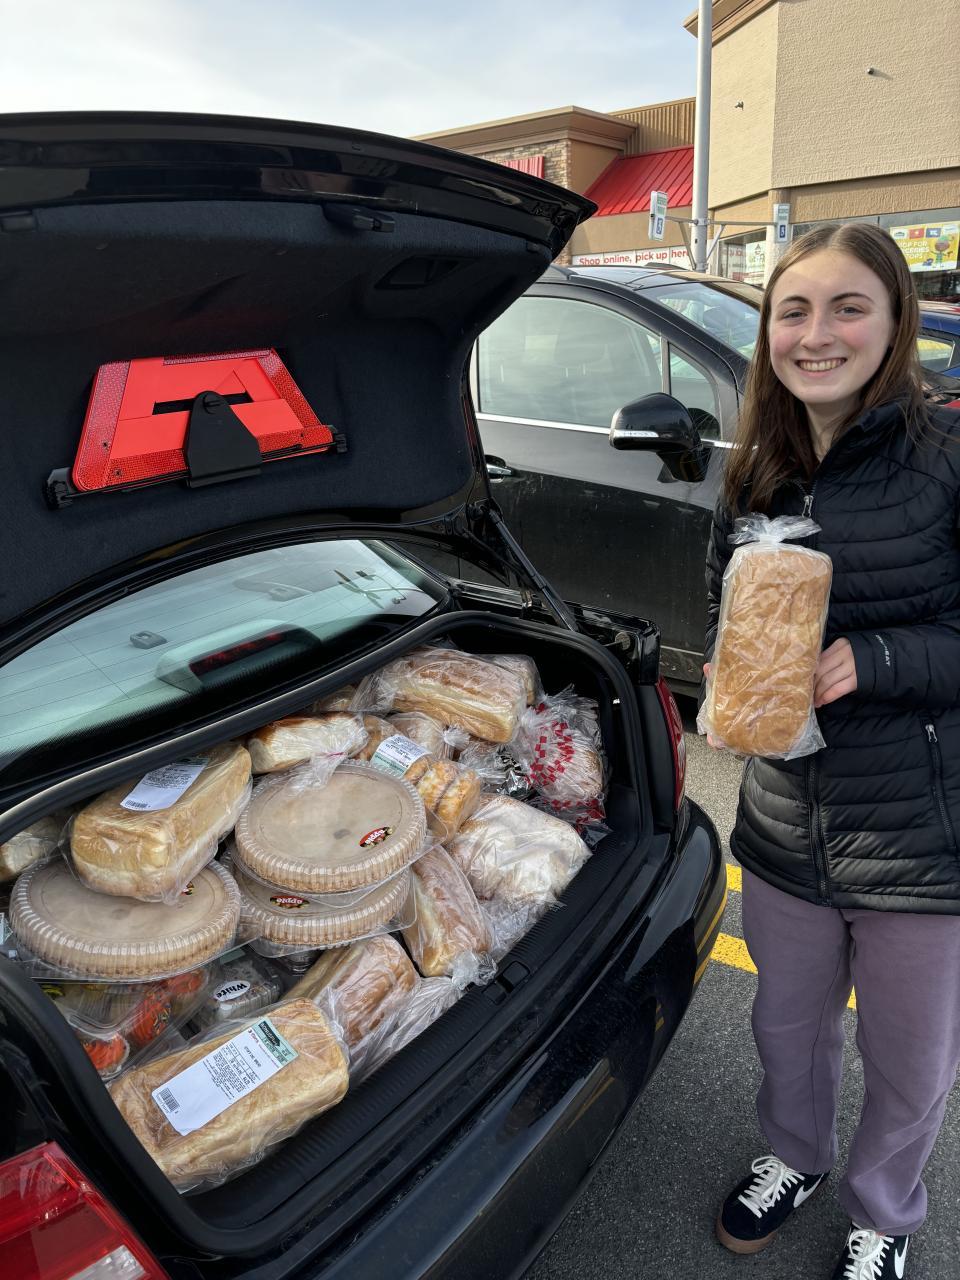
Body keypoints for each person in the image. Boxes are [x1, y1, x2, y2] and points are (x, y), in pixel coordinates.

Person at [703, 222, 960, 1280]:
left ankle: (885, 1213)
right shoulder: (754, 470)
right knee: (785, 1024)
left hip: (919, 833)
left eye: (848, 307)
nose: (817, 335)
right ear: (768, 331)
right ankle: (795, 1157)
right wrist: (730, 674)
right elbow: (718, 612)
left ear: (895, 322)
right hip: (785, 817)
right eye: (794, 311)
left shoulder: (946, 458)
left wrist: (880, 656)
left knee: (909, 1058)